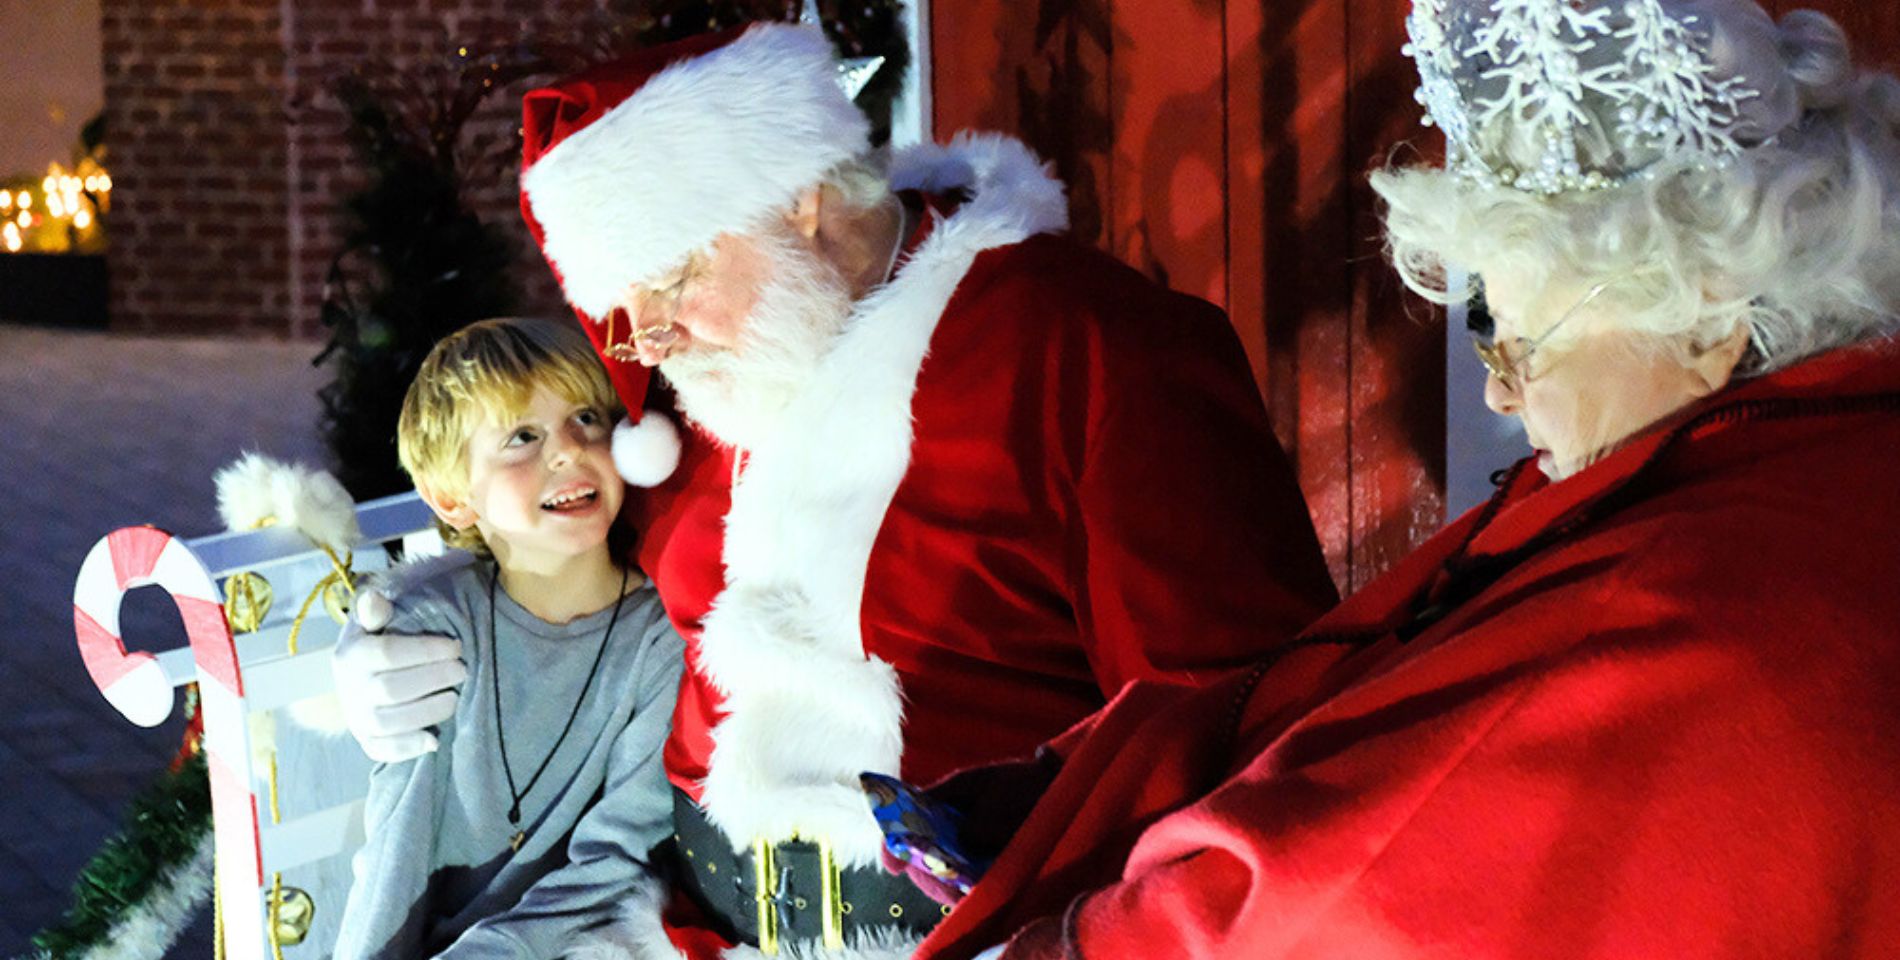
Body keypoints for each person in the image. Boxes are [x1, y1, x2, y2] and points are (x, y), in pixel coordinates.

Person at [910, 2, 1900, 957]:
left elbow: (1365, 879)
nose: (1505, 399)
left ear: (1707, 323)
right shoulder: (1784, 466)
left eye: (1522, 346)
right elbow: (1351, 679)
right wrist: (1061, 797)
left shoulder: (1687, 591)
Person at [332, 21, 1340, 959]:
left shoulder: (1087, 349)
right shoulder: (687, 398)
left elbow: (1243, 727)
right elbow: (549, 567)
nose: (644, 341)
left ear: (801, 199)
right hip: (675, 923)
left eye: (670, 280)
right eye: (618, 308)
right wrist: (397, 648)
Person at [332, 318, 685, 959]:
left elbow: (618, 858)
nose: (567, 451)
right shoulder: (439, 626)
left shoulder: (660, 640)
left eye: (586, 418)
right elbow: (397, 841)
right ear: (452, 497)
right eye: (523, 436)